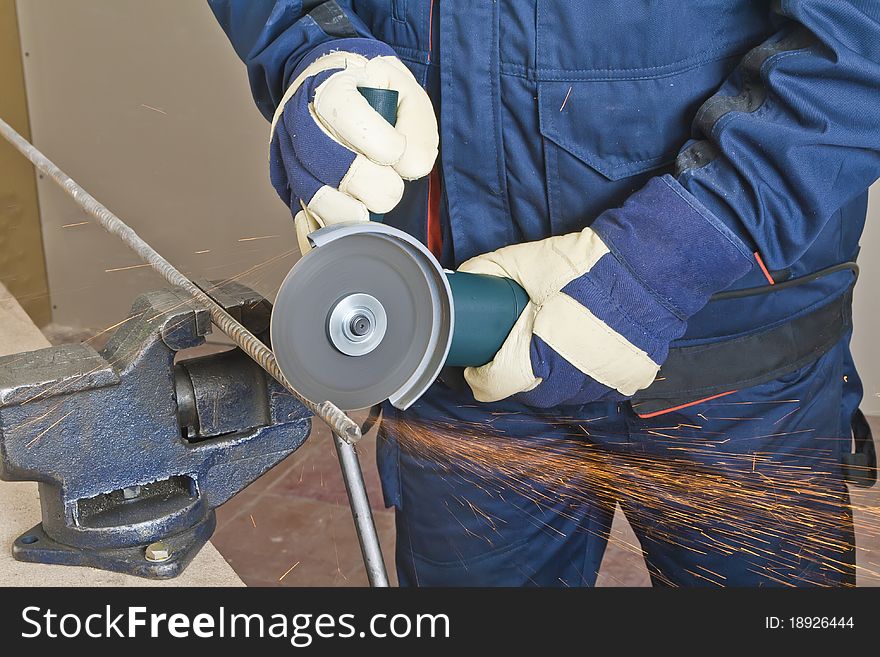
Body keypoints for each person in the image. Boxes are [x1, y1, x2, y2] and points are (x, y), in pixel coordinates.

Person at [209, 1, 880, 586]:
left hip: (729, 347)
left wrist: (663, 262)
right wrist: (308, 45)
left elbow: (861, 39)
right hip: (457, 329)